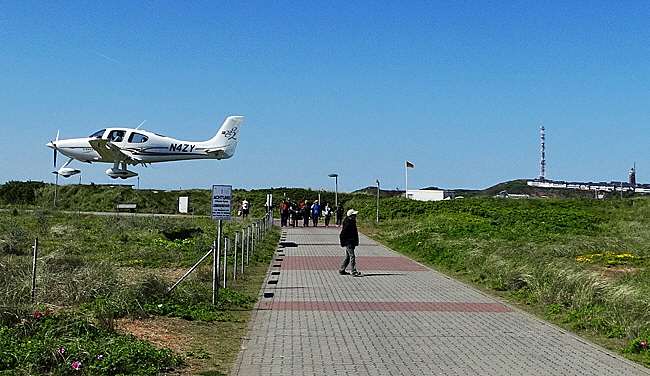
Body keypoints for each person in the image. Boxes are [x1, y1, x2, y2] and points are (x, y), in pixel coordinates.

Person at [339, 209, 360, 276]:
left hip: (352, 242)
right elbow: (342, 234)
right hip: (348, 242)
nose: (356, 216)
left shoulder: (352, 222)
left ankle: (342, 270)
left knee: (347, 257)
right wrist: (343, 242)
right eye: (354, 215)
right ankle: (354, 271)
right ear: (351, 216)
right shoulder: (348, 223)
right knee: (352, 256)